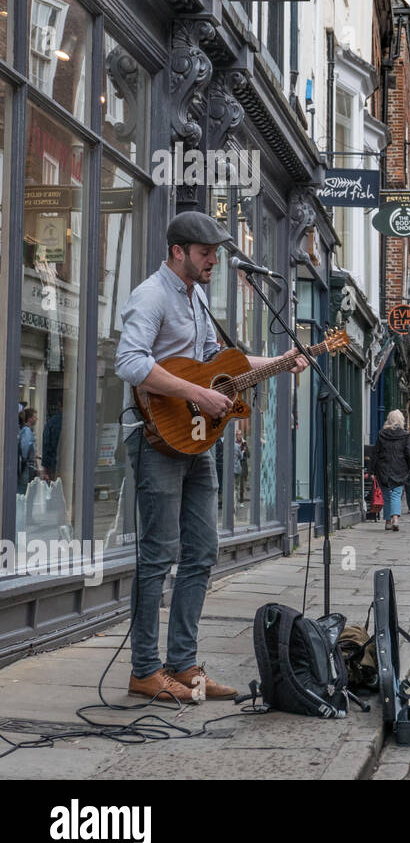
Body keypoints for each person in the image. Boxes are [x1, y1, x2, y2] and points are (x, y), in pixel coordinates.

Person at [114, 211, 308, 703]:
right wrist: (195, 395)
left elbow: (221, 369)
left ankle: (182, 665)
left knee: (201, 552)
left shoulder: (198, 299)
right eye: (205, 253)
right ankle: (143, 670)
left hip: (194, 441)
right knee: (157, 556)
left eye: (216, 253)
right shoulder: (151, 295)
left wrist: (285, 362)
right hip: (155, 437)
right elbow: (130, 361)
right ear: (178, 251)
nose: (213, 261)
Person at [374, 410, 410, 531]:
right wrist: (409, 466)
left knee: (386, 495)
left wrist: (372, 470)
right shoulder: (405, 436)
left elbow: (376, 453)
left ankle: (388, 521)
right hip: (400, 468)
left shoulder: (381, 434)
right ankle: (395, 519)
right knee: (396, 494)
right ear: (401, 420)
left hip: (384, 468)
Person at [17, 408, 38, 488]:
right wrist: (26, 459)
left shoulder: (27, 430)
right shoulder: (27, 431)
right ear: (29, 419)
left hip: (27, 464)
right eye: (35, 417)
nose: (36, 419)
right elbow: (25, 448)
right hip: (27, 465)